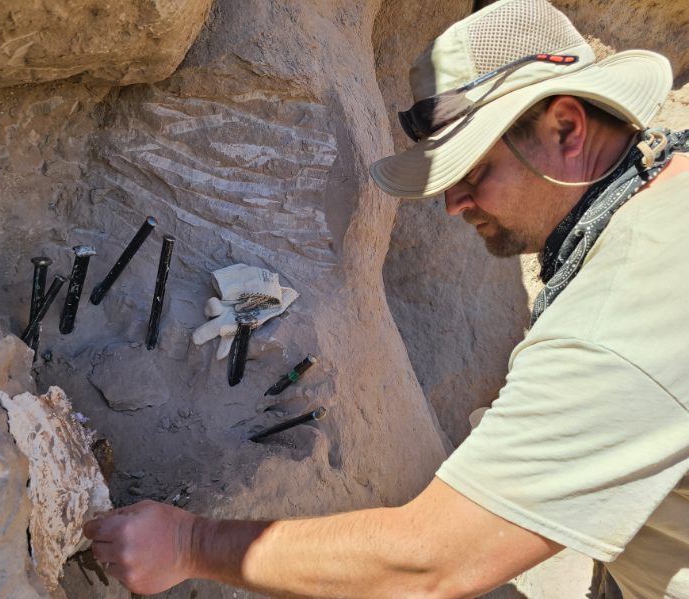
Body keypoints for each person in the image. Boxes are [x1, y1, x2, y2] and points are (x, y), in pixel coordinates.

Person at [83, 0, 689, 596]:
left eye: (472, 171)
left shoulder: (617, 315)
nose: (453, 204)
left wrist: (189, 544)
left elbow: (431, 561)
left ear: (566, 128)